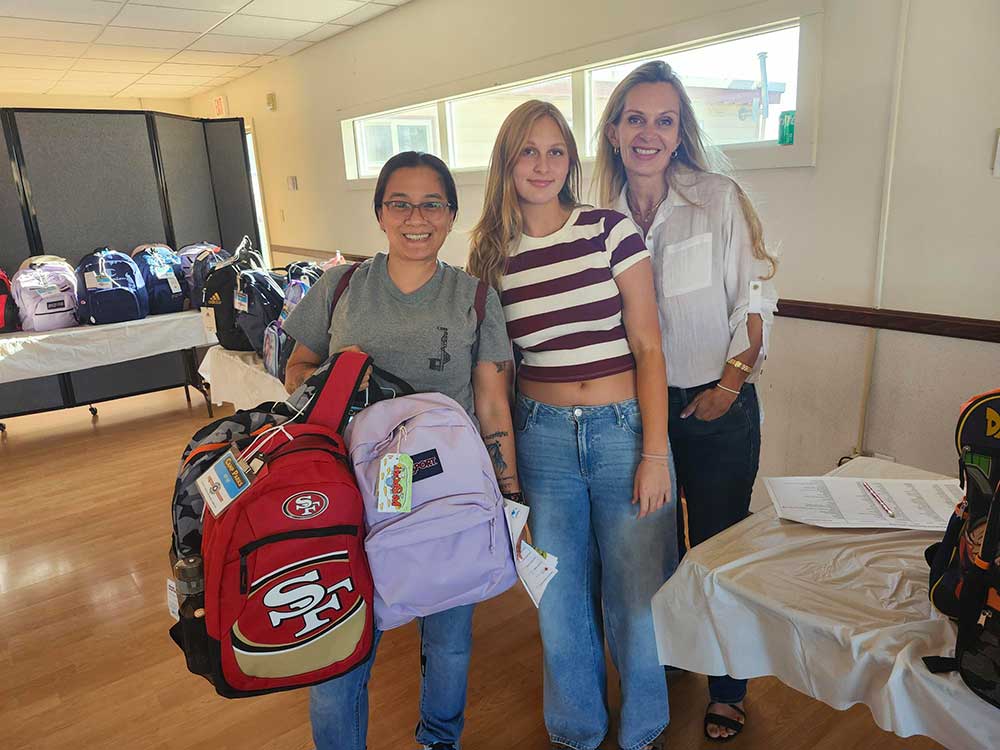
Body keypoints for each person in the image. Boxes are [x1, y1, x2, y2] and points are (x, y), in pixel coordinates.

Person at [282, 150, 519, 750]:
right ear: (380, 214)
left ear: (451, 215)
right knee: (339, 651)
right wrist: (347, 399)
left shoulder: (474, 298)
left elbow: (491, 406)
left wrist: (509, 498)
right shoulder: (339, 287)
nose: (417, 217)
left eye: (432, 203)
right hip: (349, 501)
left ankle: (440, 739)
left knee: (448, 641)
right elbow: (297, 368)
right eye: (400, 203)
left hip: (447, 495)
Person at [468, 100, 677, 750]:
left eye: (556, 151)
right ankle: (577, 730)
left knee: (638, 599)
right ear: (507, 161)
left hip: (622, 434)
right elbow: (494, 379)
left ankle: (642, 731)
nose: (542, 165)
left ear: (571, 163)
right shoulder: (492, 259)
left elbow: (648, 348)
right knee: (558, 598)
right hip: (544, 441)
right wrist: (505, 481)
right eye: (528, 151)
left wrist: (655, 453)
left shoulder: (610, 231)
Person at [594, 60, 779, 742]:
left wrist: (728, 386)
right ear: (613, 129)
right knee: (653, 549)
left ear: (679, 134)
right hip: (631, 409)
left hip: (716, 405)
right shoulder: (593, 217)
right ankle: (670, 654)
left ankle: (729, 685)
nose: (648, 133)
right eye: (635, 118)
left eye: (664, 121)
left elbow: (755, 302)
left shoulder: (717, 197)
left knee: (720, 549)